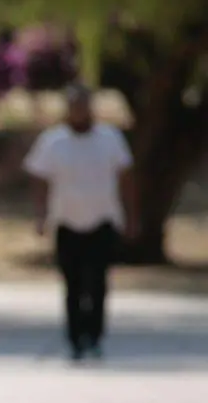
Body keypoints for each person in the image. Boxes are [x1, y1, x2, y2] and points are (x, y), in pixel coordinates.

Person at [23, 83, 137, 361]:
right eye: (74, 107)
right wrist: (40, 215)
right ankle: (75, 340)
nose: (79, 112)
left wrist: (132, 216)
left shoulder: (110, 138)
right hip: (66, 220)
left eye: (83, 106)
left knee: (97, 284)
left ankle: (95, 337)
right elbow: (39, 178)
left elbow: (126, 178)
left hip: (102, 219)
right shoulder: (53, 141)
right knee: (72, 285)